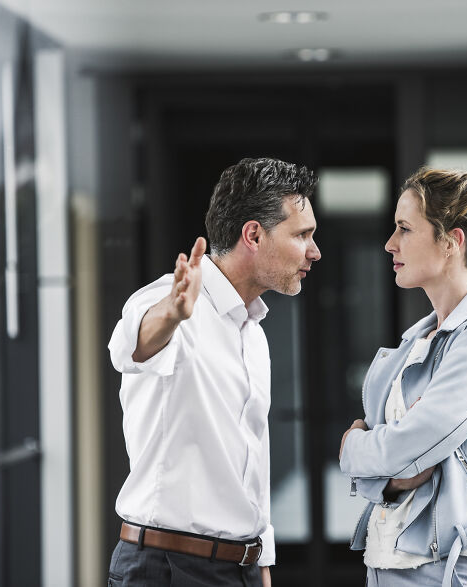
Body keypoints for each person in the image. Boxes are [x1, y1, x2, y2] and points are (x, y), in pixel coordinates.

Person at [107, 157, 321, 587]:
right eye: (302, 235)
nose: (314, 251)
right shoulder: (172, 301)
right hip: (167, 568)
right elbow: (131, 345)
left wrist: (262, 560)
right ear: (254, 234)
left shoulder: (254, 332)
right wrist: (172, 312)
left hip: (236, 568)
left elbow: (252, 457)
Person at [338, 167, 467, 587]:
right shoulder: (419, 341)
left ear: (451, 242)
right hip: (390, 561)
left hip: (449, 571)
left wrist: (353, 447)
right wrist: (391, 465)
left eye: (404, 229)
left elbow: (405, 450)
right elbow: (402, 464)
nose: (390, 244)